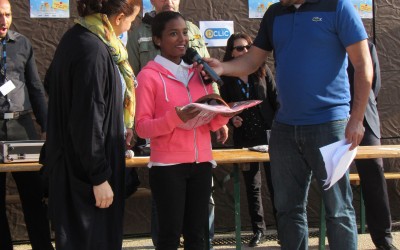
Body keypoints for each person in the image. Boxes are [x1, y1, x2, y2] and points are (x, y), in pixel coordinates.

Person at [203, 0, 374, 249]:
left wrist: (357, 119)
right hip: (284, 128)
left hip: (330, 124)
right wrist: (224, 67)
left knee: (338, 209)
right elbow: (252, 61)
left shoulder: (338, 7)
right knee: (287, 210)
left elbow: (363, 65)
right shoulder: (274, 13)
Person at [42, 0, 141, 249]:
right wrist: (99, 178)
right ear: (118, 17)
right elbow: (88, 119)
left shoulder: (77, 38)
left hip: (77, 170)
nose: (131, 25)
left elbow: (52, 85)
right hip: (85, 179)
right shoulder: (93, 50)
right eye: (132, 20)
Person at [127, 0, 226, 247]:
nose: (182, 39)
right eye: (173, 33)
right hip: (168, 166)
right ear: (157, 40)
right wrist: (175, 118)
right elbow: (142, 127)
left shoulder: (198, 72)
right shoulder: (148, 76)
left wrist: (224, 114)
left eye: (184, 33)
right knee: (169, 236)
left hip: (202, 162)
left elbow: (208, 123)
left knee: (198, 235)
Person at [0, 0, 54, 249]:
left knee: (33, 194)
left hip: (22, 128)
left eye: (8, 15)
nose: (4, 21)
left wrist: (46, 125)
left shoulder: (22, 43)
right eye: (0, 15)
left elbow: (34, 86)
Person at [219, 32, 278, 247]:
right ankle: (259, 231)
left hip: (269, 135)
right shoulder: (225, 76)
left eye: (247, 47)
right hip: (244, 138)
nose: (244, 51)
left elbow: (275, 99)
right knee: (252, 186)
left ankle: (283, 229)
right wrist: (231, 118)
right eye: (238, 48)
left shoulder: (262, 70)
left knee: (276, 184)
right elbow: (222, 107)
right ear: (231, 52)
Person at [348, 41, 398, 250]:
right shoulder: (324, 41)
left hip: (365, 121)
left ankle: (383, 239)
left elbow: (373, 83)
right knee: (334, 180)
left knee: (374, 179)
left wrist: (359, 113)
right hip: (331, 119)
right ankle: (342, 238)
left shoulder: (366, 44)